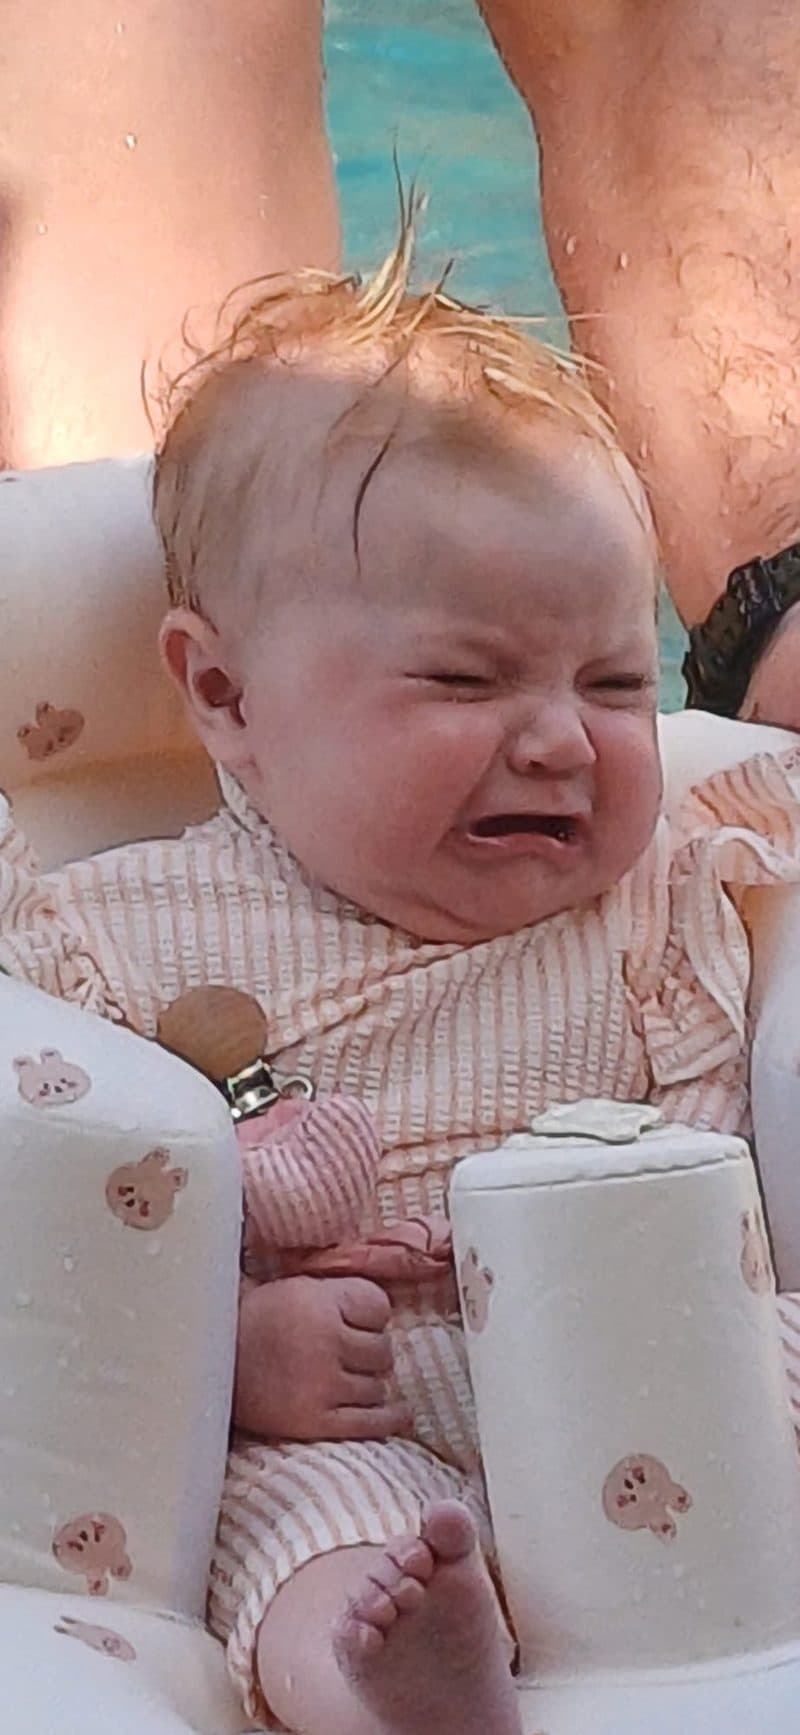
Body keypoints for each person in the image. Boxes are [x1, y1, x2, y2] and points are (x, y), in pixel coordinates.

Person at [3, 229, 800, 1733]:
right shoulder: (117, 941)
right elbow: (63, 1239)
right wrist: (227, 1354)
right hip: (358, 1414)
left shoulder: (661, 892)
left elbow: (729, 1195)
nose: (565, 740)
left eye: (617, 681)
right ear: (226, 698)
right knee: (302, 1538)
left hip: (655, 1363)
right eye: (467, 680)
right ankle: (392, 1680)